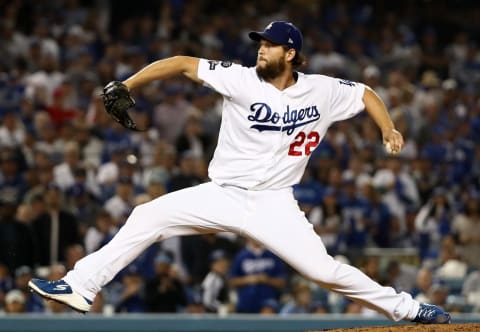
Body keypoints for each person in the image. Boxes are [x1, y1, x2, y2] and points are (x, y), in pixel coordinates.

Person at [28, 21, 450, 324]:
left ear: (290, 54)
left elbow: (366, 93)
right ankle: (81, 286)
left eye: (269, 45)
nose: (260, 50)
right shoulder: (239, 79)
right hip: (223, 193)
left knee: (325, 272)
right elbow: (180, 63)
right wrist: (129, 84)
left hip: (275, 202)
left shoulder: (321, 89)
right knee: (147, 216)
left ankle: (409, 309)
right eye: (259, 44)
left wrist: (388, 127)